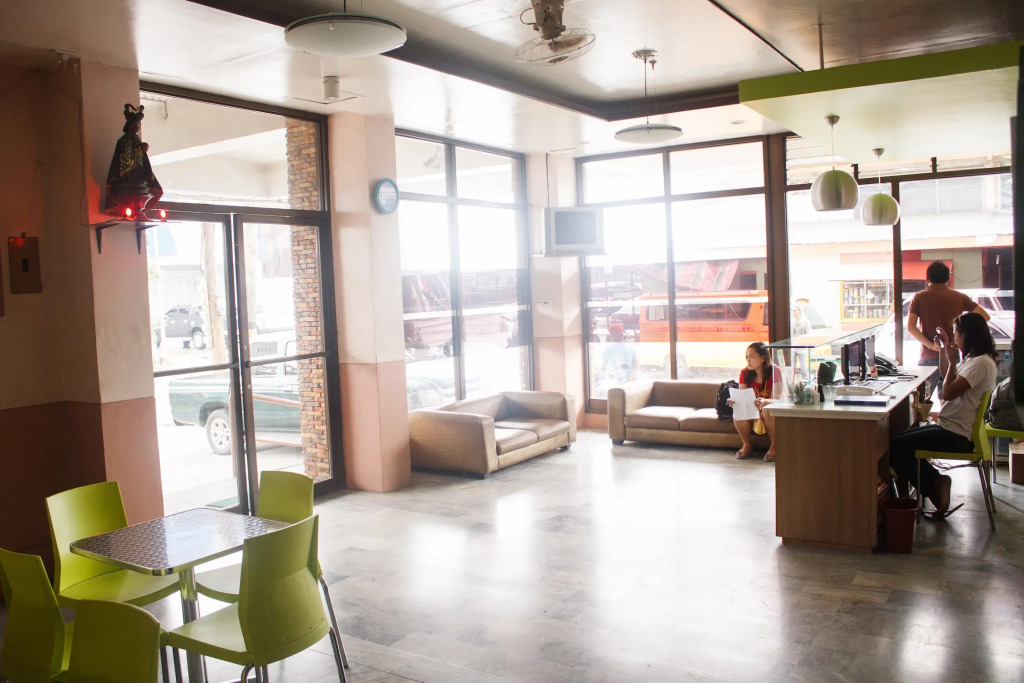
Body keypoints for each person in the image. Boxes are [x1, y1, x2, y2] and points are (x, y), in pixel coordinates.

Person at [889, 311, 998, 516]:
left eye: (956, 334)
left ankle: (935, 483)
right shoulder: (976, 360)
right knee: (895, 442)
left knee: (895, 446)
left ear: (966, 335)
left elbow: (947, 392)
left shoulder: (980, 364)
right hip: (952, 429)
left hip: (955, 435)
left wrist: (952, 362)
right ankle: (934, 483)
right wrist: (943, 350)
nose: (955, 338)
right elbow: (949, 374)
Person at [908, 261, 989, 399]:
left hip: (929, 356)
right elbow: (985, 317)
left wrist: (931, 345)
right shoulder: (959, 297)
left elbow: (911, 327)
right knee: (949, 400)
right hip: (952, 355)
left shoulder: (919, 297)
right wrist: (962, 333)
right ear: (948, 278)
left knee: (920, 401)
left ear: (927, 278)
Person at [728, 342, 779, 462]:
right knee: (738, 411)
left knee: (767, 410)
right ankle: (747, 444)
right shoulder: (744, 373)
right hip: (753, 410)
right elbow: (743, 396)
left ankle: (775, 446)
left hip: (769, 409)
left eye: (751, 357)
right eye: (747, 357)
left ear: (762, 358)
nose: (748, 360)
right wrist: (735, 401)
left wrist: (764, 401)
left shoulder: (775, 371)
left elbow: (777, 399)